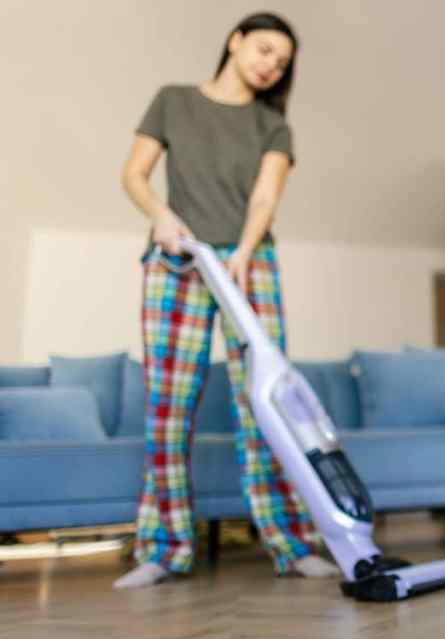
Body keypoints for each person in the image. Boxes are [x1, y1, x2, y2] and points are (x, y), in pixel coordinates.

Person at [115, 12, 338, 589]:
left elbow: (265, 196)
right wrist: (161, 216)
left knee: (266, 401)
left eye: (282, 62)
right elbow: (135, 174)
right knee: (169, 399)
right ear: (235, 40)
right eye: (264, 49)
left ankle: (291, 544)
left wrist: (241, 250)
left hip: (250, 261)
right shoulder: (173, 100)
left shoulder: (272, 126)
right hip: (177, 259)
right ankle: (164, 548)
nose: (271, 65)